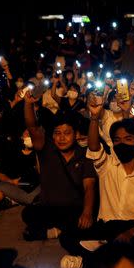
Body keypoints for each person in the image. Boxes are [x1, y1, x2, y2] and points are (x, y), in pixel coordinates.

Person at [59, 103, 134, 268]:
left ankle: (89, 259)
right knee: (67, 236)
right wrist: (94, 118)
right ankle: (100, 255)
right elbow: (93, 147)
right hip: (105, 226)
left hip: (131, 227)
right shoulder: (107, 166)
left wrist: (130, 232)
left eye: (128, 139)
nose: (122, 144)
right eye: (117, 140)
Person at [21, 94, 96, 241]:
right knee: (28, 213)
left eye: (67, 133)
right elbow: (32, 126)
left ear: (76, 135)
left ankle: (56, 232)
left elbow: (89, 187)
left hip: (72, 209)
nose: (62, 138)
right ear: (53, 136)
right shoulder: (46, 148)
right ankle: (60, 230)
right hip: (49, 208)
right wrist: (28, 104)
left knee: (85, 225)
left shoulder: (84, 155)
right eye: (57, 133)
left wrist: (87, 213)